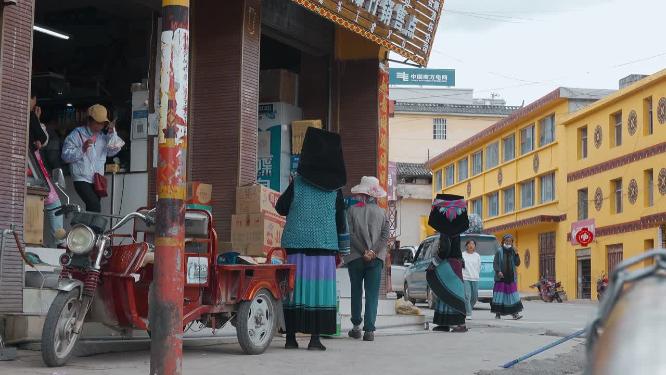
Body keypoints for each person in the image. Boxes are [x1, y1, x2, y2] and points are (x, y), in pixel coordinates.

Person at [275, 127, 348, 351]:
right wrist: (343, 251)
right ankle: (315, 340)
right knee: (318, 293)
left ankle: (290, 339)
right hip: (324, 248)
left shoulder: (297, 184)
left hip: (295, 247)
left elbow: (281, 208)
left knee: (293, 292)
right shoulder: (335, 191)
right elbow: (340, 221)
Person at [345, 176, 389, 342]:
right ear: (375, 195)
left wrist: (364, 251)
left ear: (362, 194)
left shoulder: (351, 211)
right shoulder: (382, 213)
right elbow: (385, 236)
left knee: (356, 291)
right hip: (376, 259)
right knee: (372, 294)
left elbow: (350, 234)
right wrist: (373, 251)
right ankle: (369, 331)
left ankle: (356, 327)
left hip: (356, 257)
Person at [61, 104, 124, 212]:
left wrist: (112, 134)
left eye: (102, 123)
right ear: (89, 120)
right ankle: (91, 229)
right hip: (81, 178)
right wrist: (82, 149)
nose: (100, 126)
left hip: (97, 179)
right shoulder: (76, 134)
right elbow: (65, 156)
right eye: (97, 123)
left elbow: (113, 151)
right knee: (94, 206)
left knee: (93, 208)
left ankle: (83, 228)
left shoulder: (103, 137)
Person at [426, 194, 470, 333]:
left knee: (450, 293)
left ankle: (459, 324)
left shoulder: (446, 233)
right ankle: (444, 323)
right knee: (447, 293)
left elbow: (444, 250)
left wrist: (434, 263)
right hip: (454, 264)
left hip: (448, 265)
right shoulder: (455, 232)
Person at [28, 94, 64, 248]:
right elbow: (42, 138)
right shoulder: (29, 115)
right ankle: (59, 241)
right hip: (30, 163)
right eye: (34, 101)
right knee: (53, 201)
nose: (34, 104)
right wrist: (35, 118)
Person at [491, 234, 524, 320]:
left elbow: (517, 263)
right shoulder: (499, 251)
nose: (508, 242)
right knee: (499, 296)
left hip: (511, 278)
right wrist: (498, 271)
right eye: (506, 240)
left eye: (510, 241)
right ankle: (498, 313)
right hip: (501, 278)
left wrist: (517, 254)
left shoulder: (513, 251)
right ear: (503, 241)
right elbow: (495, 263)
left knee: (513, 296)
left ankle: (515, 314)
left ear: (512, 242)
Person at [462, 240, 481, 319]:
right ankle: (468, 313)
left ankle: (468, 308)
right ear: (466, 245)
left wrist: (476, 274)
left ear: (475, 246)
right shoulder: (462, 254)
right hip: (465, 277)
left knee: (474, 297)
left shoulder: (477, 256)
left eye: (473, 244)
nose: (471, 245)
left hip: (475, 278)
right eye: (469, 244)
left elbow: (479, 267)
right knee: (467, 296)